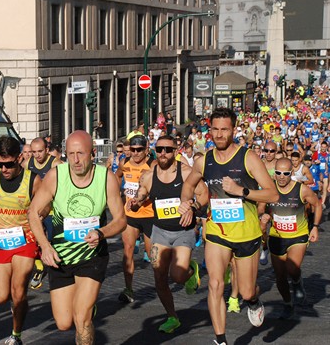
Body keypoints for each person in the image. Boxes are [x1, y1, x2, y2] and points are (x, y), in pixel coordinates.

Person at [181, 108, 279, 345]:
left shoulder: (249, 158)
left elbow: (273, 195)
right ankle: (220, 340)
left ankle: (253, 301)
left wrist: (242, 191)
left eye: (224, 129)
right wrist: (187, 204)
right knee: (215, 284)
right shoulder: (205, 161)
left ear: (233, 130)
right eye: (215, 129)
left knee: (246, 291)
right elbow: (189, 185)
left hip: (247, 233)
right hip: (217, 231)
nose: (219, 134)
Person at [27, 130, 126, 345]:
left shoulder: (105, 178)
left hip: (92, 255)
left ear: (93, 153)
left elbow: (120, 220)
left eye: (81, 153)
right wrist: (45, 247)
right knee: (64, 322)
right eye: (71, 154)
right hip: (60, 256)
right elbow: (33, 212)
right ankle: (88, 305)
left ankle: (86, 308)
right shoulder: (56, 176)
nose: (76, 160)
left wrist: (101, 233)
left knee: (81, 317)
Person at [131, 135, 209, 333]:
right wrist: (137, 201)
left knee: (178, 276)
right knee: (159, 277)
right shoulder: (149, 175)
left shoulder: (186, 173)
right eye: (159, 150)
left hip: (183, 231)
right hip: (160, 231)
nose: (163, 153)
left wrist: (193, 207)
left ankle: (190, 270)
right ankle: (172, 316)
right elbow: (142, 192)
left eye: (167, 149)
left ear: (176, 151)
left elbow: (204, 194)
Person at [0, 136, 42, 345]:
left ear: (19, 158)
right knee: (0, 296)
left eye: (9, 164)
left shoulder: (33, 180)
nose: (4, 169)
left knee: (18, 291)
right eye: (0, 164)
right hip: (1, 242)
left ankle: (16, 334)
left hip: (25, 240)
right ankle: (17, 304)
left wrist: (38, 217)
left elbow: (46, 207)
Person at [259, 157, 322, 319]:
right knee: (279, 276)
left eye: (285, 173)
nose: (281, 176)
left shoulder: (301, 190)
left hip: (298, 236)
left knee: (292, 269)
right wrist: (263, 215)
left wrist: (314, 227)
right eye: (278, 173)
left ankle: (297, 281)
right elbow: (260, 208)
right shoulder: (269, 189)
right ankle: (287, 303)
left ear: (291, 173)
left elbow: (317, 204)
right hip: (276, 236)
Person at [115, 135, 154, 304]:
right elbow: (116, 176)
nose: (135, 153)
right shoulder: (125, 163)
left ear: (146, 150)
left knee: (154, 257)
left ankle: (163, 285)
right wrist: (117, 195)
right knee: (128, 251)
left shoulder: (152, 165)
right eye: (132, 150)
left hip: (150, 215)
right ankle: (128, 289)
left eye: (139, 150)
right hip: (130, 215)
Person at [26, 137, 64, 290]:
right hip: (36, 210)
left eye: (40, 151)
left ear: (47, 150)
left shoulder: (56, 164)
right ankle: (40, 268)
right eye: (34, 152)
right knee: (33, 240)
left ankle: (59, 274)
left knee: (53, 242)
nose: (37, 155)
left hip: (54, 210)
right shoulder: (27, 164)